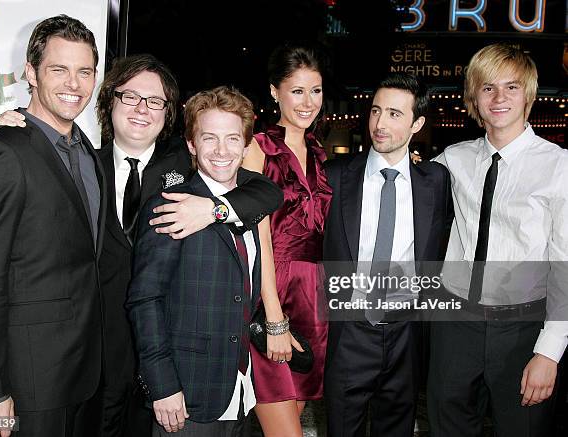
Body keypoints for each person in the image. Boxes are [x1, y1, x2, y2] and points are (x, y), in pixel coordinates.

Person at [0, 54, 283, 437]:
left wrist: (215, 208)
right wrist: (6, 126)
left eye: (155, 101)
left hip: (167, 347)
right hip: (93, 348)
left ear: (167, 113)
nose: (142, 109)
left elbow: (265, 191)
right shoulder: (78, 163)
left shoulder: (189, 162)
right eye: (130, 97)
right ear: (110, 102)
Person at [0, 15, 105, 437]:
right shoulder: (1, 152)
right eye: (58, 69)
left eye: (84, 71)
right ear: (31, 73)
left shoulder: (87, 153)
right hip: (28, 379)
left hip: (83, 375)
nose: (73, 84)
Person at [428, 43, 568, 437]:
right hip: (454, 322)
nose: (500, 97)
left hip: (524, 328)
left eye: (512, 87)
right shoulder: (453, 159)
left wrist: (548, 351)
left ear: (529, 94)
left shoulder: (559, 167)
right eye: (488, 88)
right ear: (474, 97)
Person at [323, 73, 453, 437]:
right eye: (376, 111)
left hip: (407, 335)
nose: (380, 123)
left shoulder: (436, 181)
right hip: (349, 330)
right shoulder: (333, 177)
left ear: (418, 123)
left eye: (395, 114)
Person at [126, 86, 260, 437]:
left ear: (246, 147)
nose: (221, 150)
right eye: (209, 138)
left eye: (232, 139)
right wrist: (162, 384)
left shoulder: (248, 207)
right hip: (187, 393)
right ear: (191, 145)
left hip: (242, 389)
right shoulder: (170, 205)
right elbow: (144, 300)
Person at [240, 44, 332, 436]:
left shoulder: (318, 150)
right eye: (297, 90)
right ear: (275, 92)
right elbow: (255, 230)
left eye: (316, 90)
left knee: (291, 419)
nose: (308, 101)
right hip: (270, 291)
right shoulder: (258, 147)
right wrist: (274, 317)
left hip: (313, 294)